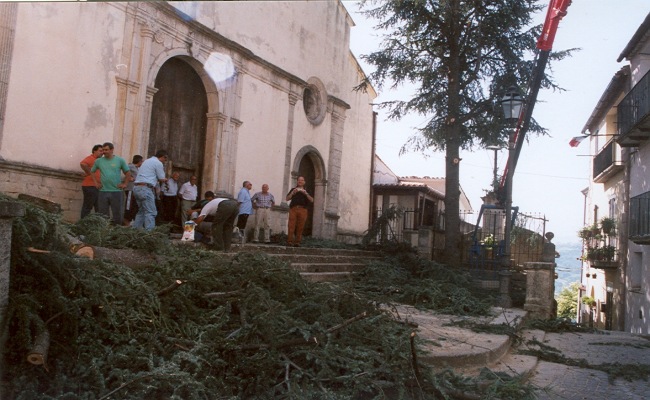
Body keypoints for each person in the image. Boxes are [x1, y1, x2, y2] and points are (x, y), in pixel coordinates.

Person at [90, 142, 131, 225]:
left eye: (106, 150)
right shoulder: (98, 161)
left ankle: (116, 232)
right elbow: (92, 172)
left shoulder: (120, 160)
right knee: (103, 215)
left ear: (112, 150)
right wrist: (96, 183)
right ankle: (105, 232)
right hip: (103, 191)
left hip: (116, 191)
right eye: (103, 150)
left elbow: (128, 173)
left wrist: (125, 184)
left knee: (117, 214)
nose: (104, 152)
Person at [132, 150, 168, 230]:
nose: (165, 161)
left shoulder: (147, 161)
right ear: (163, 157)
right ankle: (149, 235)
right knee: (151, 212)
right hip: (146, 188)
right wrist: (166, 180)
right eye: (165, 159)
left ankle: (135, 232)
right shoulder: (158, 163)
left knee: (141, 211)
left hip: (137, 188)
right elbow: (161, 178)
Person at [286, 176, 313, 247]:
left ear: (304, 182)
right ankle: (289, 241)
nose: (300, 181)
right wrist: (292, 193)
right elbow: (287, 198)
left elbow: (311, 200)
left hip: (303, 209)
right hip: (293, 209)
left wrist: (305, 193)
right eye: (299, 180)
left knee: (300, 226)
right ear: (297, 181)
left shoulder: (307, 190)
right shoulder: (293, 189)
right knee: (291, 225)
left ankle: (297, 242)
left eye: (302, 180)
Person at [79, 144, 103, 219]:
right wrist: (90, 173)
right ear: (94, 151)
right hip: (90, 186)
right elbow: (83, 164)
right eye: (100, 151)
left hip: (98, 187)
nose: (102, 153)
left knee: (98, 207)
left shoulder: (100, 160)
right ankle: (83, 224)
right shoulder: (91, 158)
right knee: (88, 206)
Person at [123, 154, 143, 226]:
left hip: (135, 190)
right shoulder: (130, 166)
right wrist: (129, 178)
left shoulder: (137, 168)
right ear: (139, 161)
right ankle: (126, 220)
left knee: (134, 205)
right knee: (129, 205)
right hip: (130, 189)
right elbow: (124, 173)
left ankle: (132, 220)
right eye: (142, 161)